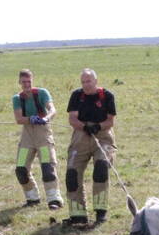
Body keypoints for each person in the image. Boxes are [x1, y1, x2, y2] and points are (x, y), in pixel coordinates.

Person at [65, 68, 117, 226]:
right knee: (72, 174)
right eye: (83, 82)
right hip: (80, 136)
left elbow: (110, 121)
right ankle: (78, 215)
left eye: (88, 81)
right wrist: (84, 126)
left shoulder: (107, 96)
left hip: (103, 137)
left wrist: (97, 126)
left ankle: (101, 212)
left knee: (101, 168)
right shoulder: (76, 95)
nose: (86, 85)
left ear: (96, 81)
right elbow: (72, 119)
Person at [12, 69, 63, 209]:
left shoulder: (42, 93)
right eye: (24, 82)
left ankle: (54, 199)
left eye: (29, 81)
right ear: (19, 82)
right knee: (21, 169)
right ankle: (32, 198)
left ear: (32, 80)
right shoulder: (17, 98)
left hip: (43, 134)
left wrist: (46, 118)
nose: (27, 84)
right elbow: (18, 119)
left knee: (47, 167)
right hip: (27, 135)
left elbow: (52, 109)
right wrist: (30, 119)